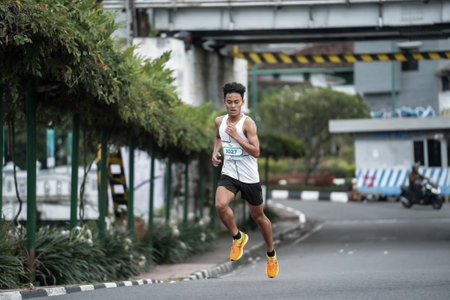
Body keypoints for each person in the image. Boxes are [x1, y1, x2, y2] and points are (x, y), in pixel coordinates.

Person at [211, 82, 279, 278]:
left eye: (236, 102)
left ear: (242, 102)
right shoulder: (219, 121)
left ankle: (271, 255)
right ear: (224, 102)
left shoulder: (248, 124)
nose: (233, 105)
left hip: (250, 177)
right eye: (229, 102)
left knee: (259, 218)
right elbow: (218, 136)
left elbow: (256, 152)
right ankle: (238, 237)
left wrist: (237, 137)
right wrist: (215, 152)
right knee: (220, 205)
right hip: (230, 173)